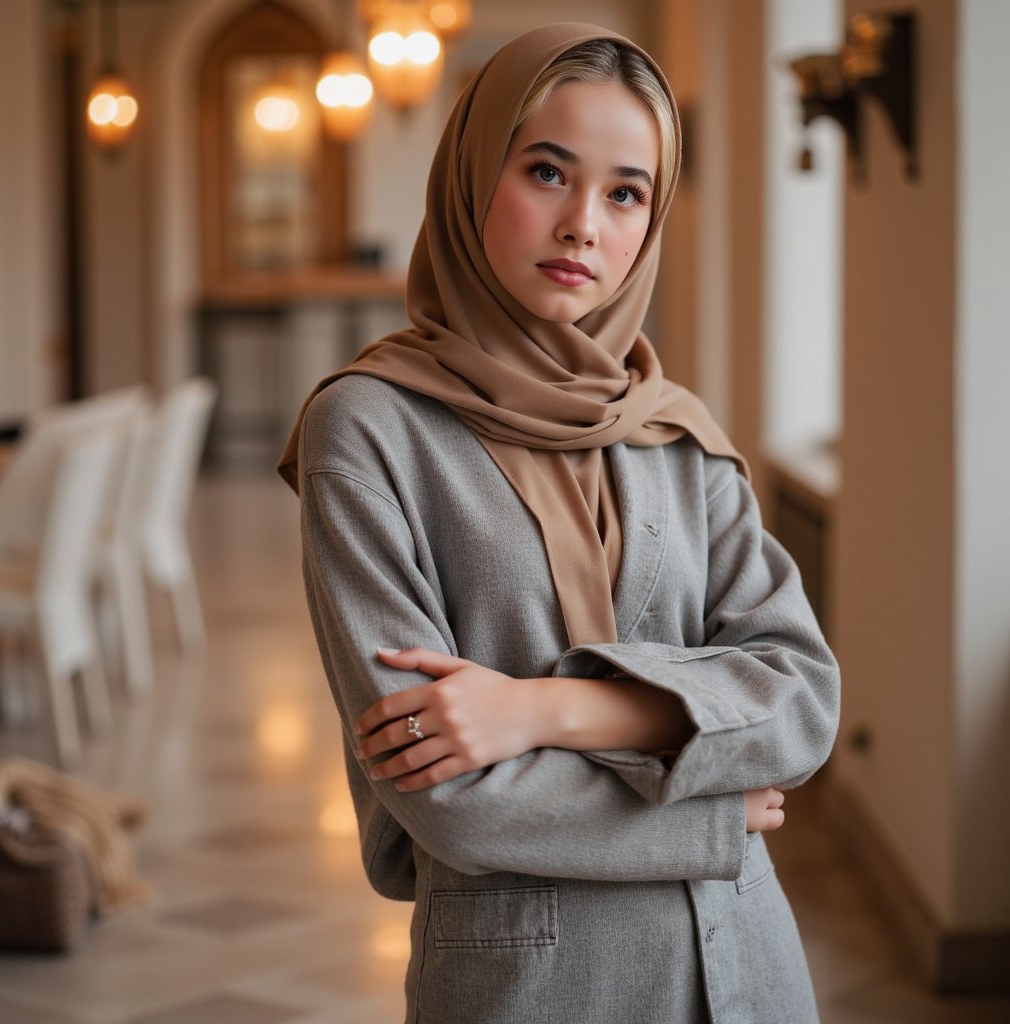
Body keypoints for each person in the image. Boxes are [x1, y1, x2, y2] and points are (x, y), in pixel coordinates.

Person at [279, 22, 840, 1024]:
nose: (584, 222)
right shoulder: (366, 428)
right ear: (469, 175)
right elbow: (443, 794)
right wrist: (712, 808)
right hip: (530, 986)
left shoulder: (670, 432)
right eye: (546, 171)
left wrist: (540, 712)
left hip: (744, 967)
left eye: (626, 192)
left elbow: (800, 703)